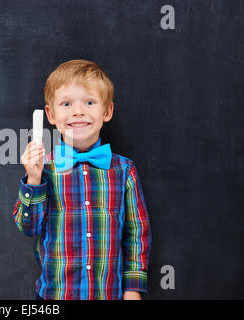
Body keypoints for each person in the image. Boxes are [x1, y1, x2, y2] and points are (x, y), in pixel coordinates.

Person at [12, 59, 152, 300]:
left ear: (107, 111)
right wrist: (33, 179)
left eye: (89, 102)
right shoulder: (43, 168)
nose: (78, 111)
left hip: (109, 294)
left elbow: (137, 232)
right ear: (51, 114)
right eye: (66, 104)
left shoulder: (124, 170)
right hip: (55, 296)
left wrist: (133, 288)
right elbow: (28, 228)